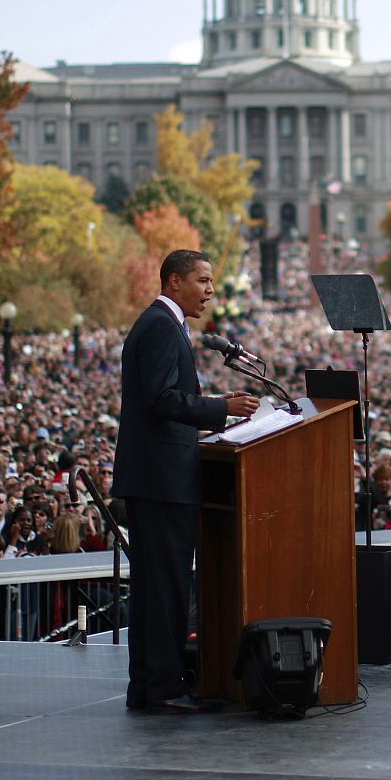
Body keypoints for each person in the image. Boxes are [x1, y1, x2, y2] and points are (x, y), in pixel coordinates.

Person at [113, 249, 258, 714]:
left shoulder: (166, 324)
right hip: (161, 480)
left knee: (163, 587)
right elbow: (161, 398)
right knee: (164, 589)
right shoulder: (159, 324)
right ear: (174, 281)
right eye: (203, 280)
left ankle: (153, 685)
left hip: (162, 477)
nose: (211, 291)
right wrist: (221, 408)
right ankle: (162, 688)